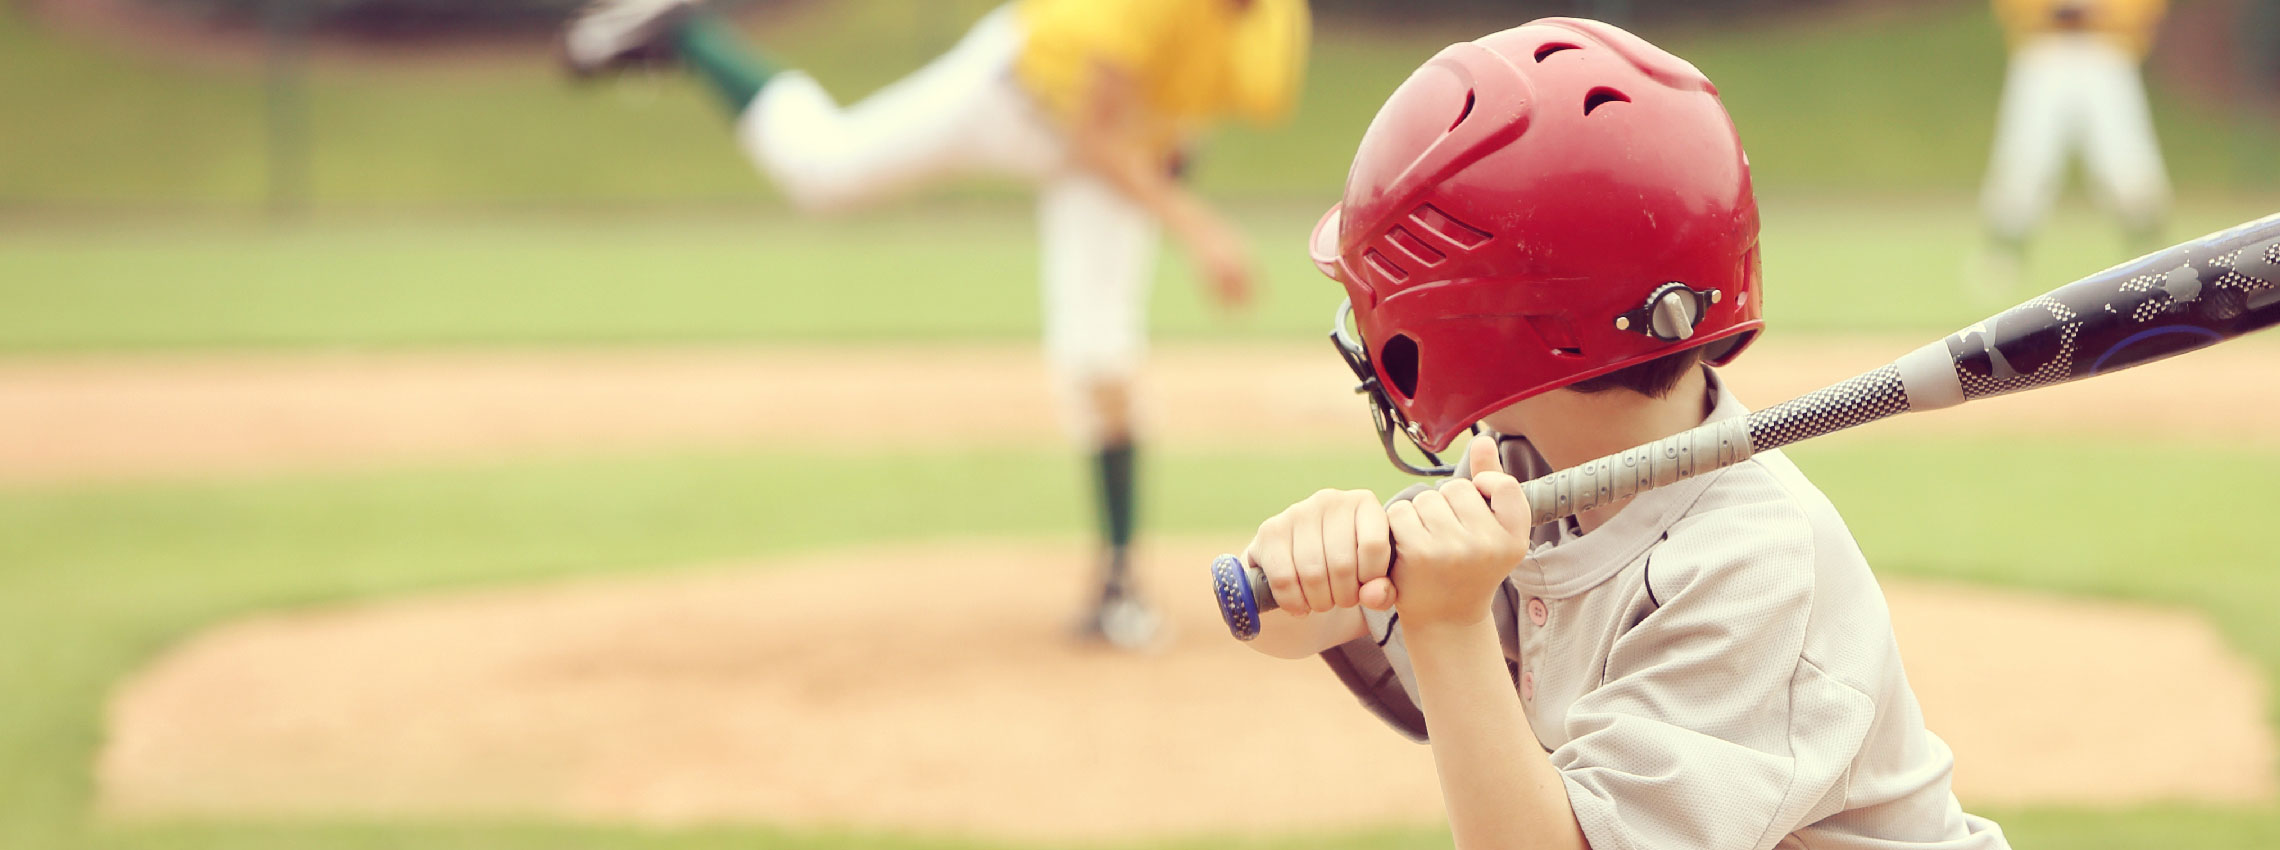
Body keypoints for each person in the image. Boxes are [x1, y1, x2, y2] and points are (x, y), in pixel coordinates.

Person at [1236, 19, 2010, 850]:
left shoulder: (1752, 563)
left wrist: (1451, 623)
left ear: (1486, 321)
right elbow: (1282, 619)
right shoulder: (1529, 476)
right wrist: (1308, 563)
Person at [560, 0, 1309, 649]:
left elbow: (1182, 111)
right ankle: (688, 32)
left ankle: (1117, 587)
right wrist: (1197, 228)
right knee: (825, 169)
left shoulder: (1276, 24)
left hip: (1115, 150)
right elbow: (1091, 133)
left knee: (1101, 355)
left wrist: (1172, 176)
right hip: (1017, 99)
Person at [1978, 0, 2171, 290]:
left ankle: (2150, 257)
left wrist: (2107, 11)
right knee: (2026, 161)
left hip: (2107, 49)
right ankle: (2003, 258)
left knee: (2126, 164)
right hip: (2043, 48)